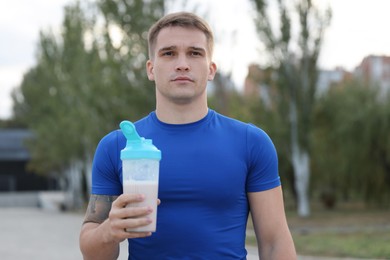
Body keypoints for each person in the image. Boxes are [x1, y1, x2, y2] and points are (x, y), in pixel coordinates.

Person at [79, 11, 296, 260]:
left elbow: (275, 243)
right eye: (169, 53)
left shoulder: (251, 143)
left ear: (211, 69)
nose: (182, 63)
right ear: (151, 69)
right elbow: (92, 252)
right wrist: (109, 230)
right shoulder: (117, 146)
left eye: (195, 53)